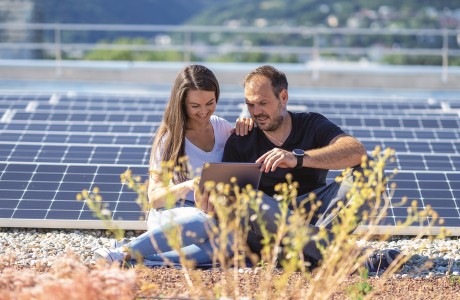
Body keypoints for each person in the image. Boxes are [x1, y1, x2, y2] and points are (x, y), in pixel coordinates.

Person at [221, 65, 402, 271]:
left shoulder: (310, 123)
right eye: (250, 105)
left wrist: (298, 158)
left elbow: (356, 150)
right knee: (248, 200)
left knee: (371, 170)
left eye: (263, 103)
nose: (256, 112)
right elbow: (228, 201)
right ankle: (341, 257)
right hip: (268, 231)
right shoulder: (241, 138)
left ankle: (311, 253)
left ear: (283, 97)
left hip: (315, 216)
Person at [94, 64, 252, 265]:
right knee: (206, 220)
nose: (204, 112)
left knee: (228, 246)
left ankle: (132, 254)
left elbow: (237, 165)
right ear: (182, 103)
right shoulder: (169, 138)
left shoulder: (221, 127)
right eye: (195, 106)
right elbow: (155, 198)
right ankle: (127, 251)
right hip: (172, 211)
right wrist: (188, 185)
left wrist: (246, 130)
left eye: (210, 103)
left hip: (210, 212)